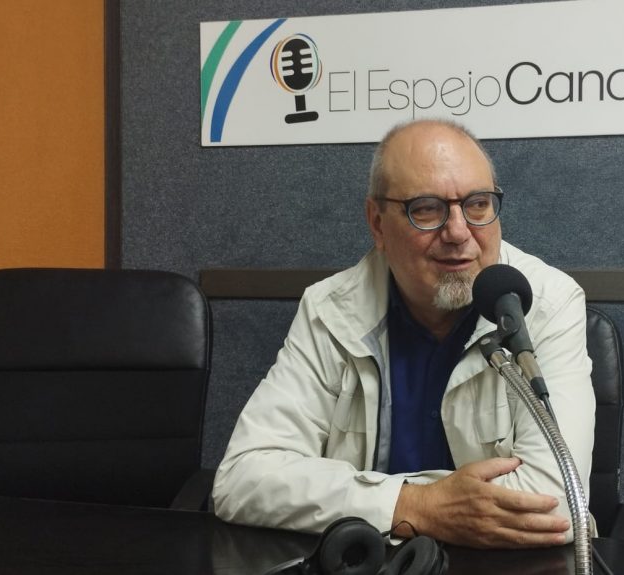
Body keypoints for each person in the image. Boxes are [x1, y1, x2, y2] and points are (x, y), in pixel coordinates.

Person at [212, 119, 595, 549]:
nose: (457, 232)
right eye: (427, 209)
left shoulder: (547, 303)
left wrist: (364, 501)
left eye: (479, 204)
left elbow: (555, 504)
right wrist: (420, 505)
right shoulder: (329, 310)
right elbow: (243, 477)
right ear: (378, 223)